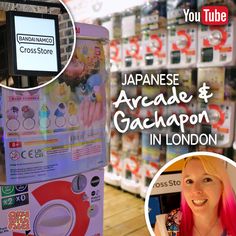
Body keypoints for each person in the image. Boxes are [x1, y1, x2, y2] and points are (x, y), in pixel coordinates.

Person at [154, 155, 236, 236]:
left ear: (222, 186)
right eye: (189, 181)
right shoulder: (163, 227)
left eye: (207, 180)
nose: (196, 190)